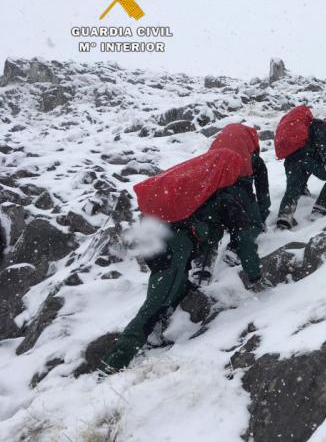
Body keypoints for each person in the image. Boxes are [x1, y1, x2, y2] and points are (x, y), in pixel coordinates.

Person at [100, 150, 268, 374]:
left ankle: (158, 332)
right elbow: (245, 240)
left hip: (154, 237)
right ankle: (113, 364)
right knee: (153, 306)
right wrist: (255, 274)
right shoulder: (224, 197)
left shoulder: (202, 188)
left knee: (176, 290)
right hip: (174, 249)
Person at [275, 107, 326, 230]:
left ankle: (284, 218)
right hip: (306, 159)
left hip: (291, 160)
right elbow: (322, 144)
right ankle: (320, 210)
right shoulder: (320, 125)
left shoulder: (303, 132)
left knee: (293, 190)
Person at [210, 123, 271, 224]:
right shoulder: (249, 137)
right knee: (258, 174)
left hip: (216, 174)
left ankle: (223, 218)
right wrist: (262, 210)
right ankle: (257, 215)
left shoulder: (221, 138)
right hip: (239, 173)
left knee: (223, 195)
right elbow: (255, 160)